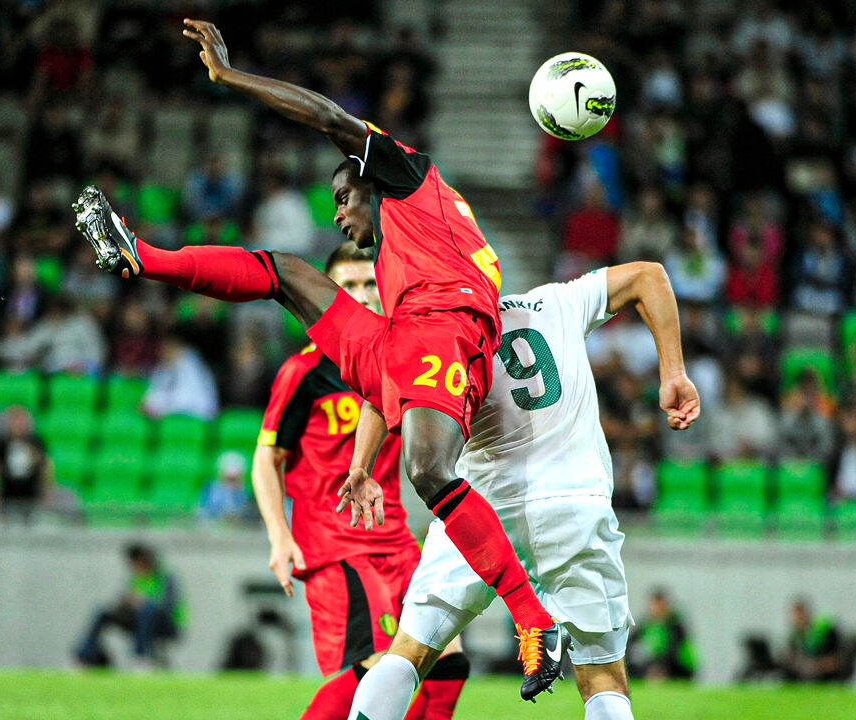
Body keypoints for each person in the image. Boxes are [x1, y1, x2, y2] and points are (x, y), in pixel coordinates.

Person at [73, 17, 567, 699]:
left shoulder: (408, 178)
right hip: (405, 337)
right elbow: (377, 393)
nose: (339, 215)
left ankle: (536, 622)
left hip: (443, 325)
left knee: (428, 471)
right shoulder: (401, 262)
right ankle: (143, 256)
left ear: (370, 181)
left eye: (342, 198)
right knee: (285, 272)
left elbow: (329, 115)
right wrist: (362, 465)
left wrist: (231, 75)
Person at [349, 263, 699, 720]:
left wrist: (361, 464)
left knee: (409, 653)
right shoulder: (558, 302)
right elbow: (650, 276)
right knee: (603, 679)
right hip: (574, 507)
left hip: (477, 514)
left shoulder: (443, 334)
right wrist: (672, 372)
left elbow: (381, 390)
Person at [252, 243, 468, 720]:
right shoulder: (303, 372)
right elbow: (267, 459)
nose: (362, 294)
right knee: (378, 668)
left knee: (449, 663)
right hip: (335, 546)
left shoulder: (395, 365)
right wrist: (278, 535)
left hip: (393, 538)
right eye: (347, 285)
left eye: (370, 283)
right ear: (326, 294)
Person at [74, 543, 185, 668]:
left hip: (167, 625)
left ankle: (141, 657)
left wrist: (144, 602)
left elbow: (168, 606)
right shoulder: (136, 578)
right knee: (103, 611)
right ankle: (85, 656)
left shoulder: (166, 577)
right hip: (139, 621)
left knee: (147, 610)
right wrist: (125, 604)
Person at [0, 406, 53, 520]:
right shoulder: (1, 445)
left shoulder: (36, 443)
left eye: (21, 420)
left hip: (32, 500)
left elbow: (45, 468)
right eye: (14, 420)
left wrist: (46, 495)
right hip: (7, 500)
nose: (18, 424)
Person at [632, 589, 697, 680]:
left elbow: (674, 649)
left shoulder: (675, 624)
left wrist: (658, 667)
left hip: (680, 665)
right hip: (657, 662)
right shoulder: (646, 623)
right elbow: (631, 641)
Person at [779, 598, 845, 682]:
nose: (797, 619)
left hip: (825, 667)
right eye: (795, 616)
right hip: (807, 667)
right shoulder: (796, 635)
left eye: (800, 615)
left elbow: (835, 655)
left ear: (806, 614)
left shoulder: (822, 631)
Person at [196, 451, 250, 523]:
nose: (231, 483)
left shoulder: (243, 494)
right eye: (229, 479)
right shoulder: (211, 490)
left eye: (234, 479)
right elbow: (204, 512)